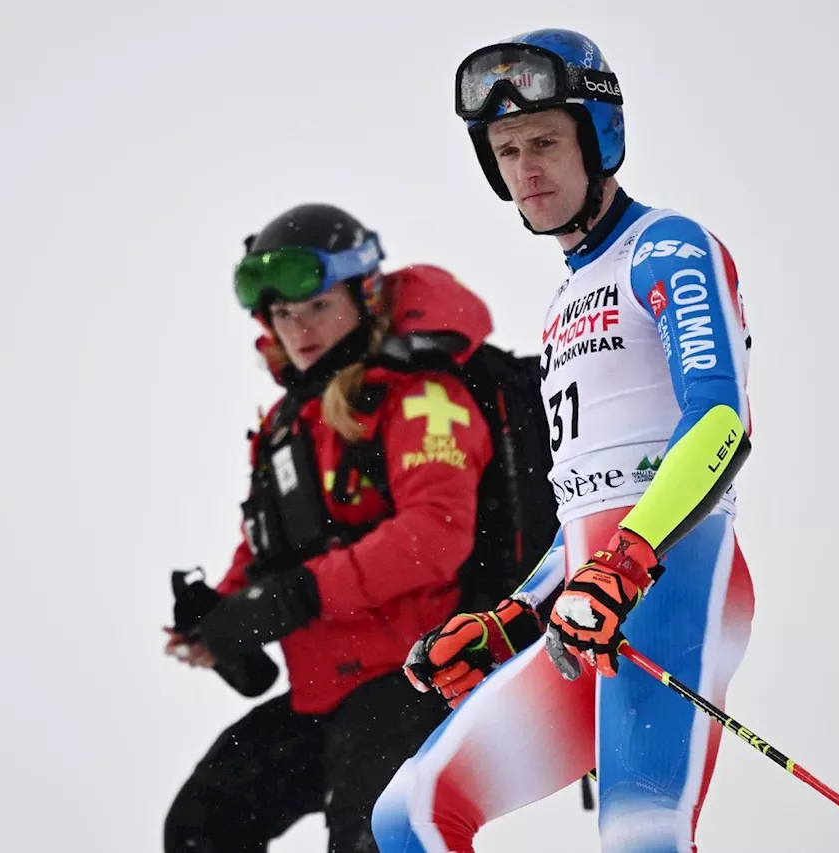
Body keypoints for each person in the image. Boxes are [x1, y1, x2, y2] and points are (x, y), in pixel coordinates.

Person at [373, 29, 756, 853]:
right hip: (594, 598)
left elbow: (720, 423)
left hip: (676, 577)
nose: (525, 169)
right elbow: (587, 496)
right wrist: (514, 615)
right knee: (411, 815)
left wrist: (627, 560)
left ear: (599, 136)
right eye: (506, 151)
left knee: (639, 838)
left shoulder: (667, 244)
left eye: (543, 141)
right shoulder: (561, 301)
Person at [162, 203, 499, 853]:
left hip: (414, 677)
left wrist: (300, 595)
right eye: (283, 315)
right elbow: (264, 554)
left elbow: (436, 534)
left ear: (364, 294)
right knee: (201, 825)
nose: (299, 328)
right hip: (325, 693)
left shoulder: (421, 393)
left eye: (316, 306)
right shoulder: (290, 425)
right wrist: (219, 616)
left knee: (372, 838)